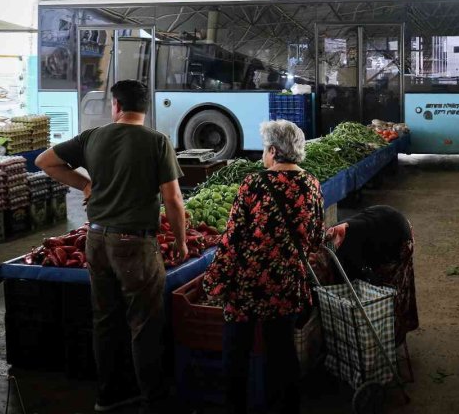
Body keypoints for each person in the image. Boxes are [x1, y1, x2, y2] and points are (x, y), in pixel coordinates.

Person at [36, 80, 187, 414]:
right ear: (145, 108)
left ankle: (107, 396)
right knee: (144, 324)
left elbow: (45, 161)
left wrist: (85, 183)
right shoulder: (156, 141)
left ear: (116, 106)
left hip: (97, 240)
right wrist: (179, 240)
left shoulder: (93, 137)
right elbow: (173, 199)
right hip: (134, 244)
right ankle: (154, 401)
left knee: (105, 320)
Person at [202, 120, 324, 414]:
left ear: (272, 150)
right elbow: (317, 237)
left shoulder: (253, 184)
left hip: (246, 283)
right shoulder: (311, 184)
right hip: (286, 283)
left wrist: (214, 280)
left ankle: (235, 407)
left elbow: (232, 238)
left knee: (236, 352)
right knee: (282, 352)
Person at [317, 205, 419, 346]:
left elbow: (355, 276)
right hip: (386, 223)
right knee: (377, 287)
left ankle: (393, 335)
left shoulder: (341, 245)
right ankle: (387, 332)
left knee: (390, 292)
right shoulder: (333, 239)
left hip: (399, 236)